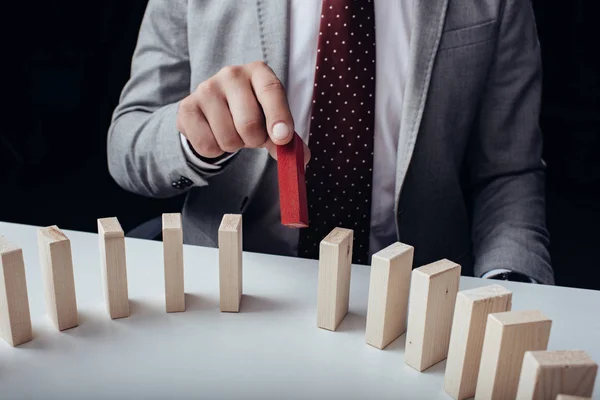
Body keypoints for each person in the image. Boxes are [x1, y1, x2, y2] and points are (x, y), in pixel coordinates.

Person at [107, 0, 553, 284]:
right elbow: (127, 143)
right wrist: (194, 139)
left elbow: (509, 171)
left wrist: (508, 283)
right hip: (232, 282)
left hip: (415, 293)